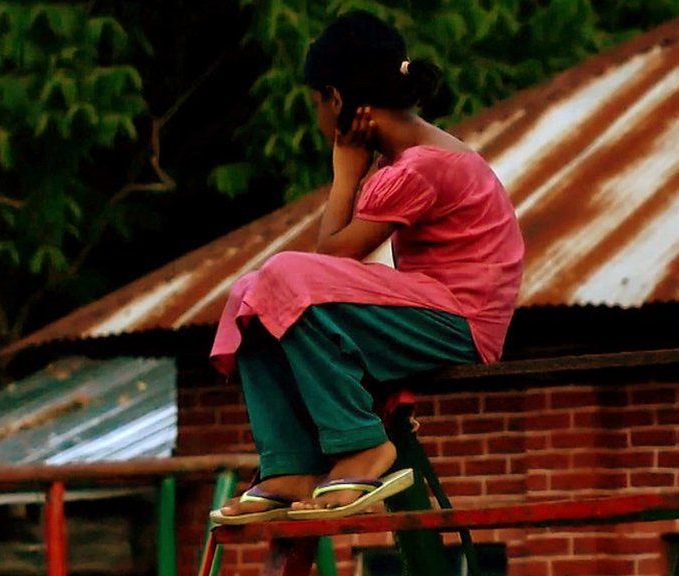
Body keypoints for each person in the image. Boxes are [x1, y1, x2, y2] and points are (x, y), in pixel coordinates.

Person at [209, 11, 524, 523]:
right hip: (427, 304)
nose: (318, 118)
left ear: (337, 100)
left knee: (285, 277)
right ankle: (288, 463)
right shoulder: (408, 161)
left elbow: (328, 258)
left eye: (317, 103)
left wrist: (343, 176)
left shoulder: (422, 167)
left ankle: (362, 446)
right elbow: (322, 267)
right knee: (252, 289)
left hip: (461, 321)